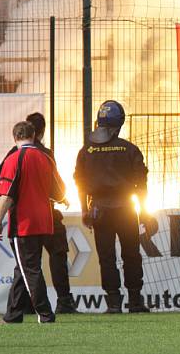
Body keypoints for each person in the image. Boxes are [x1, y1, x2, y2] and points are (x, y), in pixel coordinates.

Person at [73, 100, 154, 313]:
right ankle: (135, 301)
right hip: (127, 209)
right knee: (131, 255)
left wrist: (84, 209)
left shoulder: (86, 151)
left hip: (99, 211)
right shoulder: (129, 149)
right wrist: (144, 212)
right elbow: (141, 185)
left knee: (106, 257)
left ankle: (113, 303)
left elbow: (80, 183)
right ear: (120, 124)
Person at [0, 113, 77, 314]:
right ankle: (62, 301)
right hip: (48, 217)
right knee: (51, 258)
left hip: (23, 220)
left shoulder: (13, 156)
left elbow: (3, 186)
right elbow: (58, 190)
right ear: (39, 133)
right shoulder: (46, 155)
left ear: (16, 136)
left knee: (28, 266)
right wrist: (59, 198)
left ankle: (40, 310)